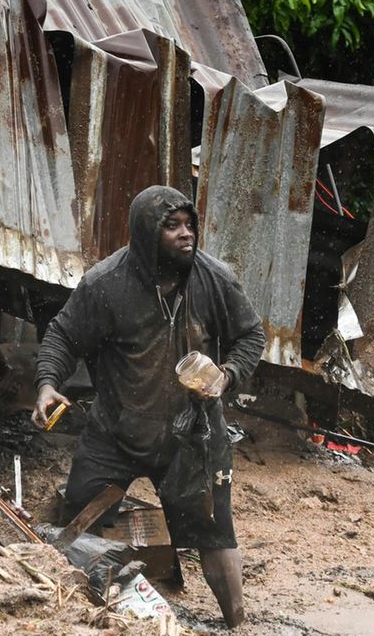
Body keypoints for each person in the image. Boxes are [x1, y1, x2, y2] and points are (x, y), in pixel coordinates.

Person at [31, 185, 265, 628]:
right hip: (116, 430)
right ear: (144, 234)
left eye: (189, 225)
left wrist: (227, 375)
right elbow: (62, 336)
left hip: (192, 434)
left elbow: (251, 335)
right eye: (171, 226)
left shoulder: (214, 278)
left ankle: (239, 624)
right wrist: (47, 384)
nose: (186, 235)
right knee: (80, 521)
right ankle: (86, 616)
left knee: (215, 532)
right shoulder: (106, 284)